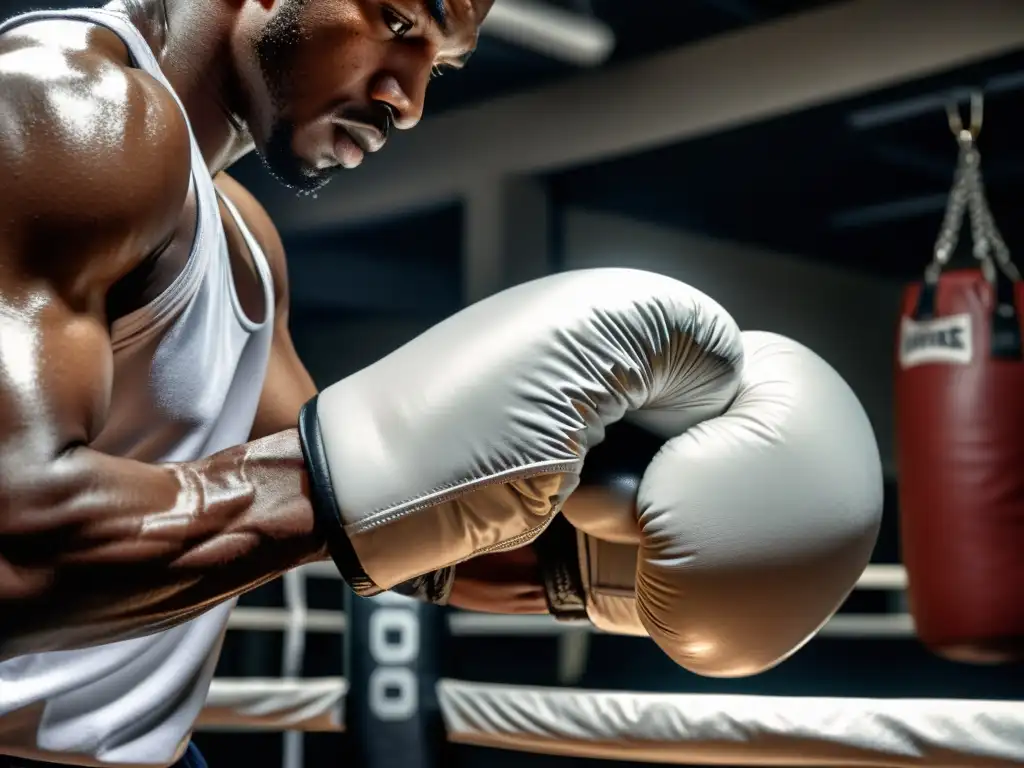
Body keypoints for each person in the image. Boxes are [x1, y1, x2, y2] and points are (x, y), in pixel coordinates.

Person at [0, 0, 885, 765]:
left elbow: (348, 517)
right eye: (398, 24)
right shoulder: (66, 111)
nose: (411, 101)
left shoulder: (242, 243)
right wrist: (353, 481)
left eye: (440, 62)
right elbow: (19, 549)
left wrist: (597, 568)